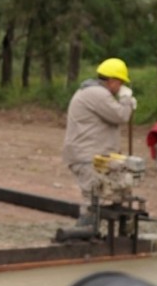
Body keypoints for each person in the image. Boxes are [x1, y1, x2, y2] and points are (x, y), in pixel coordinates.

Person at [58, 58, 136, 234]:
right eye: (120, 83)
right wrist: (126, 100)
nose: (120, 88)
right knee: (93, 199)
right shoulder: (97, 94)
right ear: (112, 80)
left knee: (112, 193)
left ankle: (112, 234)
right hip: (87, 157)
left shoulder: (91, 92)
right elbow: (121, 116)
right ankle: (82, 237)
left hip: (92, 155)